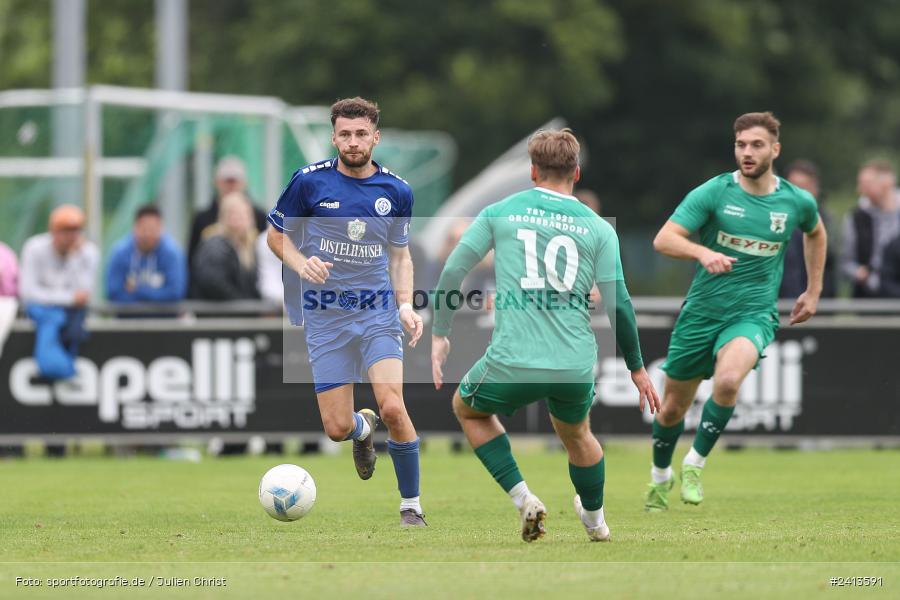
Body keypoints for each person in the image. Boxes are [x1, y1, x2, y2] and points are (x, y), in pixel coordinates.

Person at [430, 129, 660, 542]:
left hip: (512, 358)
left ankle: (524, 500)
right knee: (577, 434)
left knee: (468, 409)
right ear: (576, 171)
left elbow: (452, 271)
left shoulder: (501, 210)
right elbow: (619, 303)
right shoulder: (598, 228)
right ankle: (595, 521)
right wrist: (637, 368)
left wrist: (441, 333)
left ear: (532, 171)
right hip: (573, 362)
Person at [645, 112, 826, 511]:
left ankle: (694, 464)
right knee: (673, 406)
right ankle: (661, 474)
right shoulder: (714, 192)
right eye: (741, 144)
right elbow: (664, 239)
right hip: (702, 312)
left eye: (756, 144)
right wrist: (702, 251)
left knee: (728, 381)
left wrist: (813, 291)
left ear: (774, 150)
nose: (747, 152)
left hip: (753, 313)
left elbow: (816, 232)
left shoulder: (795, 201)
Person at [266, 97, 426, 527]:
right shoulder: (308, 183)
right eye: (344, 134)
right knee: (336, 428)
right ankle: (361, 429)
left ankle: (411, 506)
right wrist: (301, 264)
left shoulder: (396, 191)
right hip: (325, 315)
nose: (352, 142)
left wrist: (406, 306)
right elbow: (275, 237)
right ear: (333, 136)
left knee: (393, 406)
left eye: (360, 134)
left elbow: (400, 257)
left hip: (376, 312)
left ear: (375, 137)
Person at [19, 204, 99, 379]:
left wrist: (75, 258)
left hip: (72, 314)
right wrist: (68, 298)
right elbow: (28, 293)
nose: (71, 236)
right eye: (65, 230)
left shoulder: (88, 253)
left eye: (76, 230)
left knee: (73, 326)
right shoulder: (34, 248)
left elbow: (84, 294)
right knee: (49, 316)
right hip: (42, 312)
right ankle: (61, 368)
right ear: (53, 231)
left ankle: (63, 366)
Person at [187, 156, 268, 267]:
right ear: (216, 182)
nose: (231, 186)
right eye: (227, 181)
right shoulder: (202, 219)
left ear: (244, 183)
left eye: (235, 181)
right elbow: (192, 258)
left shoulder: (259, 216)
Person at [841, 160, 900, 298]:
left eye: (866, 184)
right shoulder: (855, 217)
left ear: (886, 184)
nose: (859, 189)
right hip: (868, 293)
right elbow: (845, 261)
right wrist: (858, 273)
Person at [106, 205, 187, 305]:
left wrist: (137, 290)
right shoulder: (120, 252)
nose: (148, 234)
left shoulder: (172, 253)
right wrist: (156, 295)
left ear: (161, 229)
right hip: (127, 318)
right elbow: (114, 293)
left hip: (165, 319)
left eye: (153, 229)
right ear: (135, 227)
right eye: (144, 229)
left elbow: (175, 293)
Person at [777, 160, 836, 298]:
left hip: (818, 304)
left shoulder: (826, 221)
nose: (798, 193)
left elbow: (832, 265)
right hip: (780, 303)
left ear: (815, 189)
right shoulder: (773, 219)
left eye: (804, 187)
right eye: (793, 186)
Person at [192, 192, 261, 301]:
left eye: (245, 214)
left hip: (239, 312)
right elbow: (213, 282)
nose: (241, 219)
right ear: (224, 216)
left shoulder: (249, 246)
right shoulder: (215, 245)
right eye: (235, 214)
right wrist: (242, 304)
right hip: (220, 314)